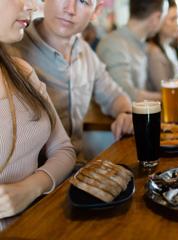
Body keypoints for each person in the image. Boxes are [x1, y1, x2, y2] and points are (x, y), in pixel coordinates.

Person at [12, 0, 133, 157]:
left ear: (96, 11)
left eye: (83, 1)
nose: (70, 9)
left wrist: (126, 113)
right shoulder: (12, 51)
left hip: (77, 168)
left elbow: (114, 95)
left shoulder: (86, 52)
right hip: (31, 175)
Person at [0, 0, 75, 230]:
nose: (33, 6)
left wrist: (31, 188)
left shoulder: (22, 71)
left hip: (39, 221)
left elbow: (64, 149)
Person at [97, 0, 167, 101]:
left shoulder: (141, 45)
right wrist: (170, 96)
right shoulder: (114, 44)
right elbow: (124, 94)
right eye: (163, 18)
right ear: (156, 18)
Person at [147, 0, 178, 92]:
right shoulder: (154, 51)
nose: (177, 24)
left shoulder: (170, 48)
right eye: (173, 19)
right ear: (159, 21)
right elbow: (164, 91)